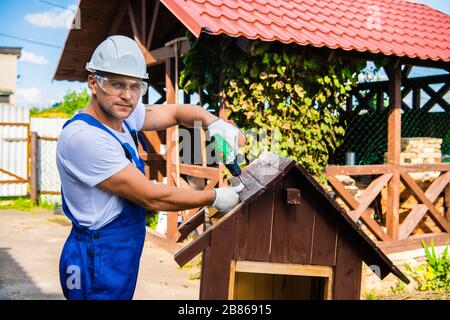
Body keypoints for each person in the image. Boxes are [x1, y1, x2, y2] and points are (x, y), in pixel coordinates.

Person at [56, 35, 245, 300]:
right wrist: (214, 197)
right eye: (116, 84)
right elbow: (150, 196)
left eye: (136, 86)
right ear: (93, 83)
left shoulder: (123, 114)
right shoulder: (84, 138)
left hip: (118, 251)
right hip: (96, 257)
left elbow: (177, 113)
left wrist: (212, 121)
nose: (127, 95)